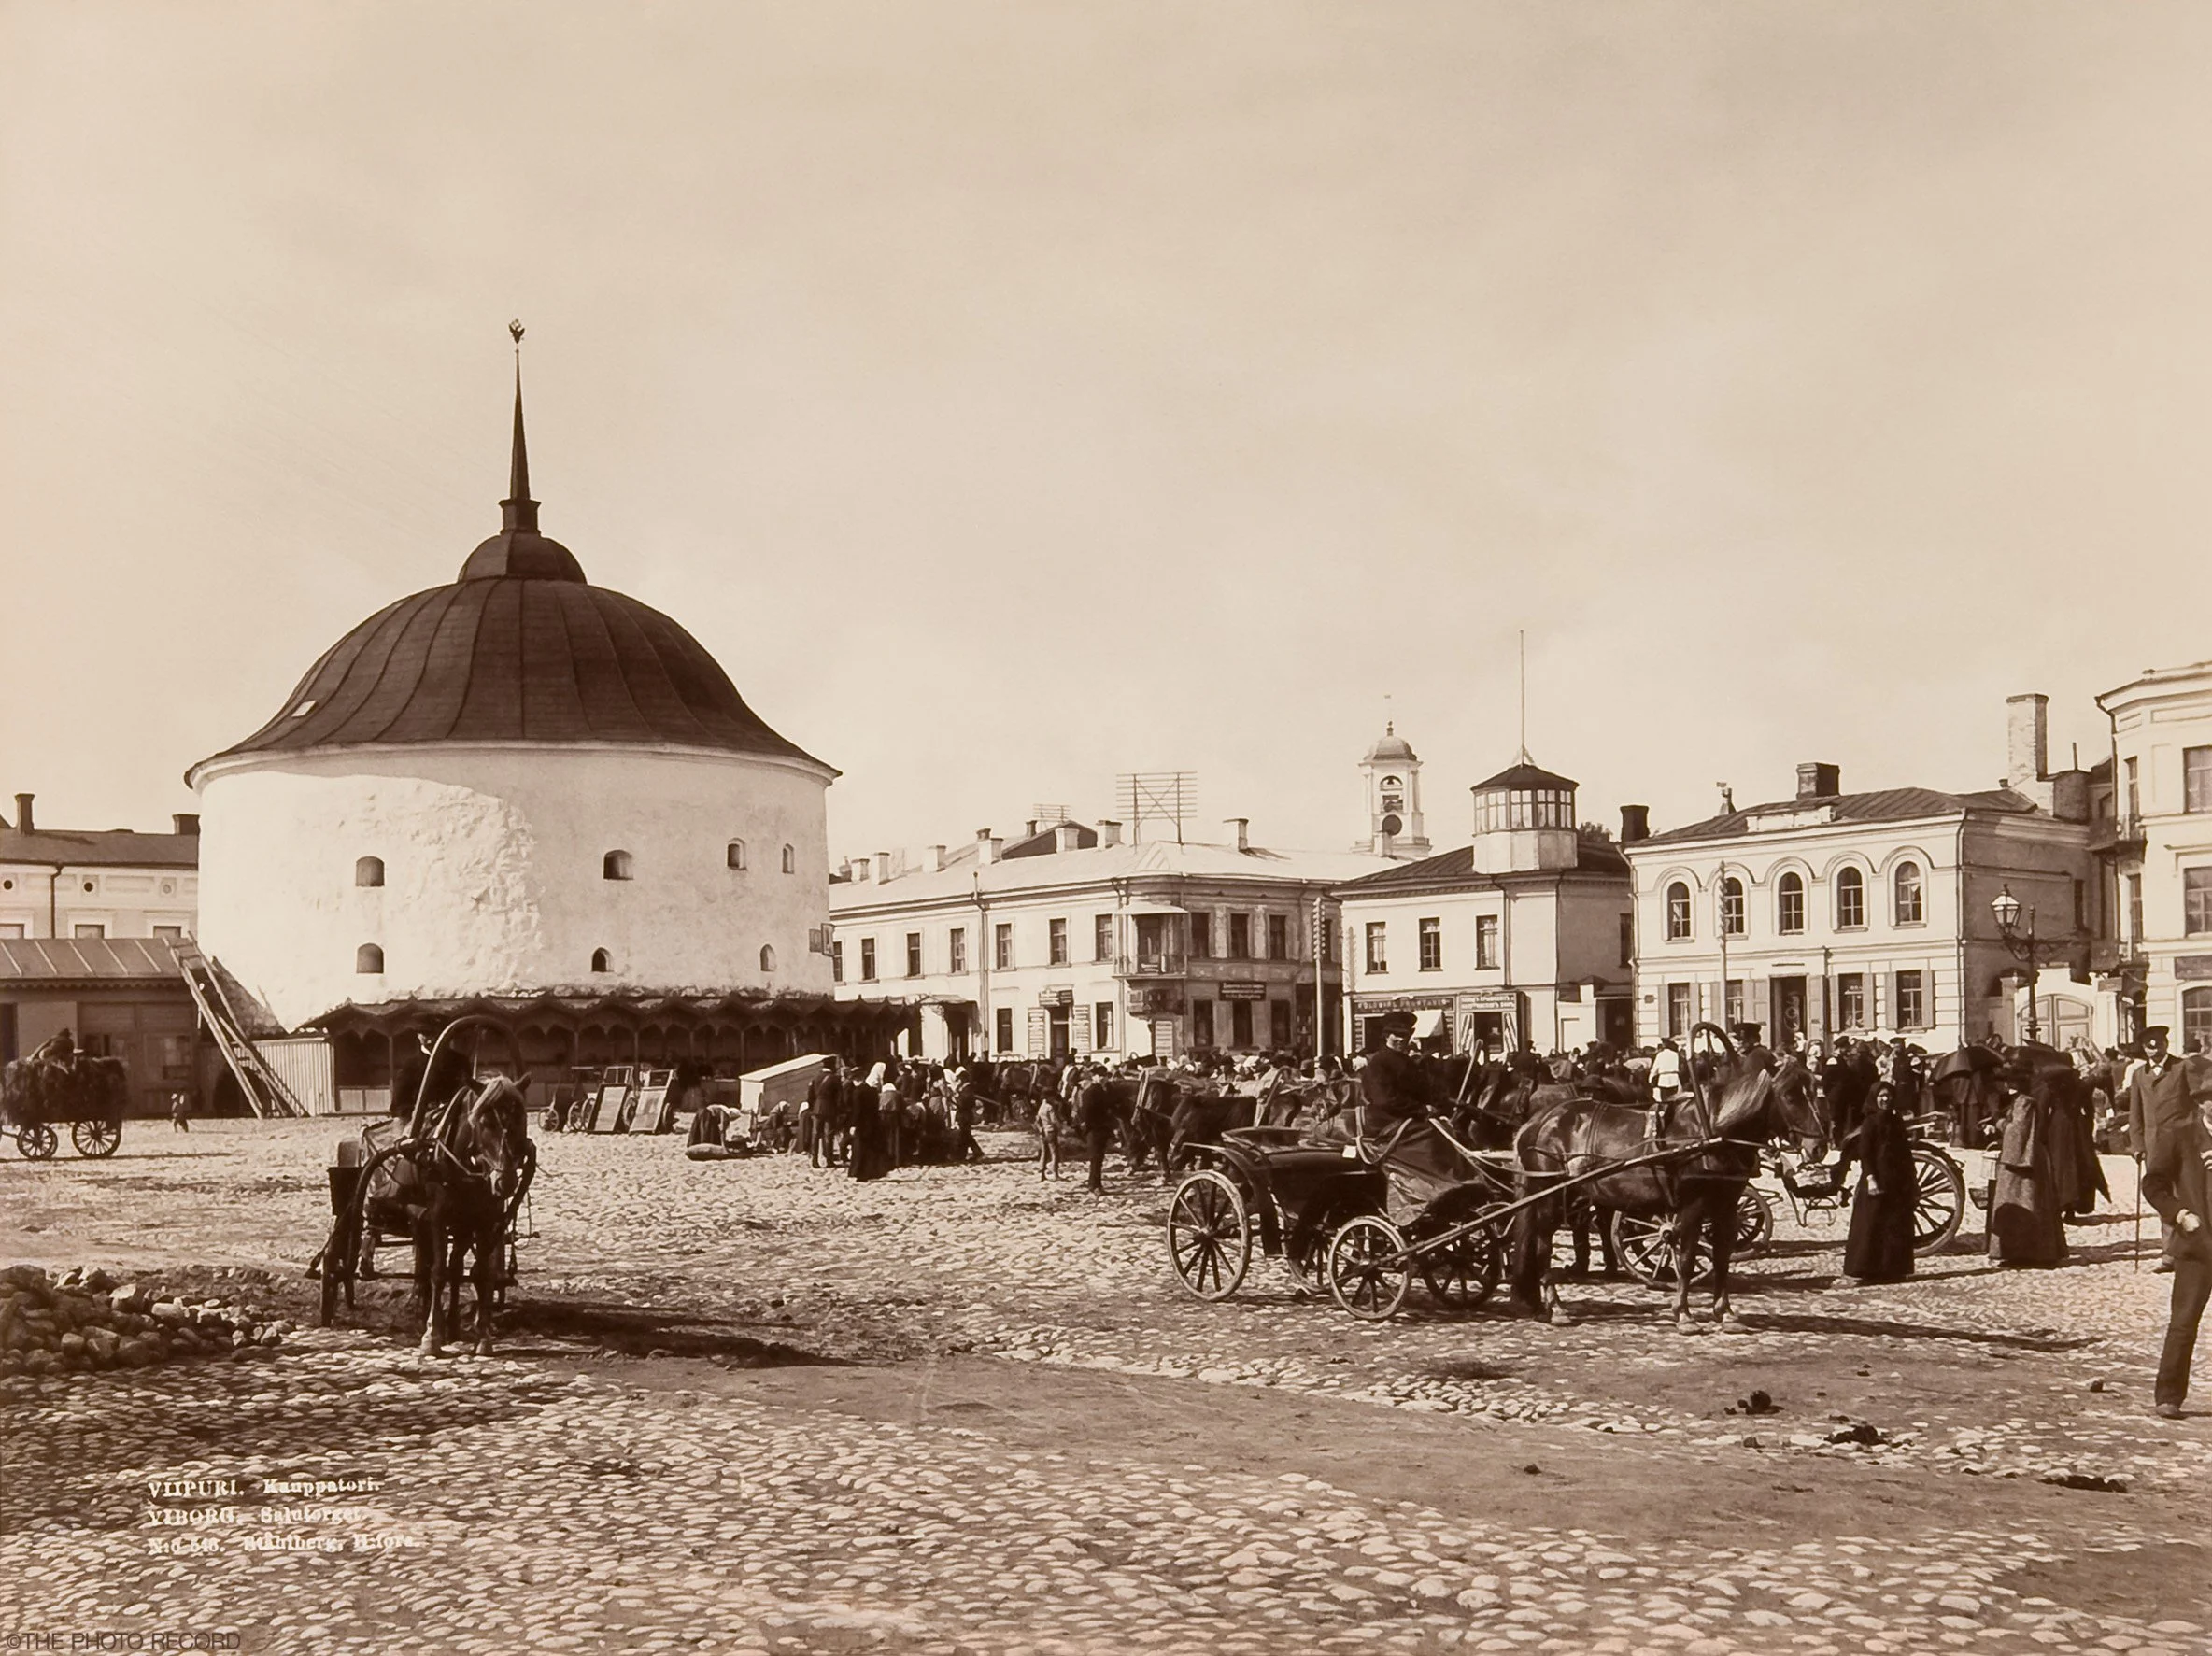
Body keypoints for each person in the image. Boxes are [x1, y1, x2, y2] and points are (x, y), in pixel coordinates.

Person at [2134, 1026, 2212, 1416]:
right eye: (2209, 1100)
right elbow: (2154, 1184)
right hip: (2196, 1247)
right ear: (2200, 1103)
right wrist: (2179, 1214)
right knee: (2183, 1323)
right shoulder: (2181, 1136)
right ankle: (2168, 1395)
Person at [1835, 1063, 1916, 1284]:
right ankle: (1863, 1269)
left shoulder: (1896, 1121)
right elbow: (1866, 1154)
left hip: (1896, 1181)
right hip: (1876, 1180)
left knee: (1894, 1225)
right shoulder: (1870, 1123)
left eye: (1888, 1096)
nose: (1885, 1100)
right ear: (1874, 1098)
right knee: (1871, 1226)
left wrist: (1911, 1179)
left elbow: (1905, 1151)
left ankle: (1892, 1270)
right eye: (1881, 1096)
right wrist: (1871, 1178)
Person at [1356, 1011, 1425, 1138]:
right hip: (1385, 1120)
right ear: (1387, 1036)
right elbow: (1384, 1099)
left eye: (1405, 1035)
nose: (1402, 1039)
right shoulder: (1378, 1062)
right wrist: (1420, 1109)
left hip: (1409, 1117)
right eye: (1397, 1035)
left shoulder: (1409, 1062)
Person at [1073, 1066, 1116, 1193]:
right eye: (1100, 1075)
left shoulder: (1103, 1090)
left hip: (1102, 1128)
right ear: (1094, 1077)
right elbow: (1086, 1112)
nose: (1103, 1078)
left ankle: (1096, 1184)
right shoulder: (1092, 1091)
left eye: (1104, 1075)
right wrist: (1088, 1126)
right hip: (1095, 1128)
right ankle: (1094, 1185)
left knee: (1098, 1158)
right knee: (1095, 1158)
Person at [1034, 1086, 1064, 1182]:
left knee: (1044, 1153)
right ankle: (1055, 1173)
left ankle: (1042, 1173)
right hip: (1051, 1131)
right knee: (1054, 1153)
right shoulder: (1050, 1107)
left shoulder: (1041, 1107)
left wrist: (1040, 1129)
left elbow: (1038, 1119)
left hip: (1043, 1131)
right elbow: (1054, 1120)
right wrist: (1061, 1127)